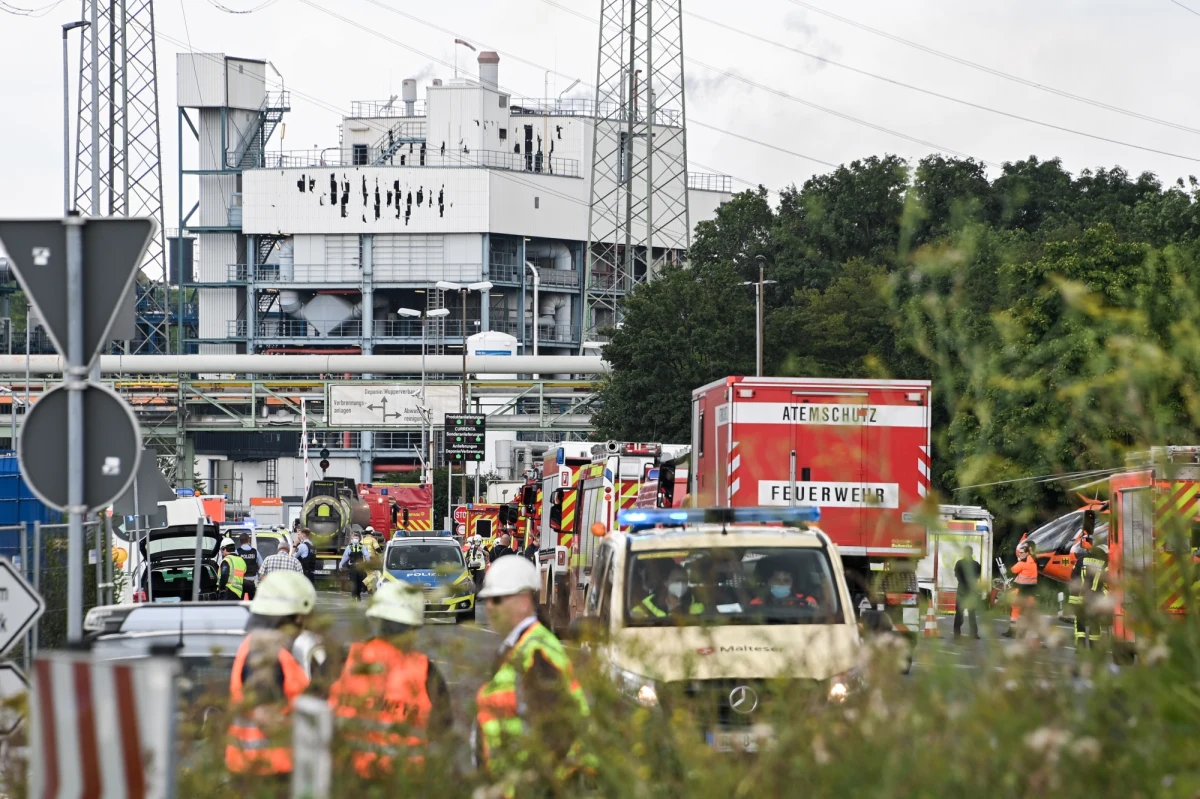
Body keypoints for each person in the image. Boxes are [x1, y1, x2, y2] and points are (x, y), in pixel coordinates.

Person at [473, 556, 594, 785]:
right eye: (487, 600)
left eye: (497, 600)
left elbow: (557, 731)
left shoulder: (537, 653)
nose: (489, 607)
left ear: (523, 601)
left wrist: (532, 783)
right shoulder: (519, 646)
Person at [328, 581, 453, 777]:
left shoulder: (343, 659)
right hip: (405, 784)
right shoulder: (426, 671)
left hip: (345, 781)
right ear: (413, 627)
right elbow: (442, 733)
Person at [226, 571, 318, 780]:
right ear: (296, 616)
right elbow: (266, 716)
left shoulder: (262, 647)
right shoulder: (265, 651)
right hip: (268, 775)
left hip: (258, 771)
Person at [631, 565, 704, 618]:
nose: (681, 584)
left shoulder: (697, 606)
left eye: (684, 581)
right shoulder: (647, 606)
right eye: (677, 580)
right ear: (666, 582)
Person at [1075, 544, 1109, 648]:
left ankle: (1080, 646)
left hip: (1081, 597)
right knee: (1094, 623)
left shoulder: (1081, 561)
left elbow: (1074, 578)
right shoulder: (1104, 564)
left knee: (1080, 623)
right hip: (1095, 599)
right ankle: (1094, 647)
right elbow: (1107, 582)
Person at [1004, 541, 1039, 638]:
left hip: (1021, 590)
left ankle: (1012, 631)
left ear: (1028, 552)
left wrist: (1019, 561)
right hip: (1031, 591)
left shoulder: (1023, 562)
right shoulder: (1035, 561)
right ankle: (1027, 633)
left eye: (1022, 552)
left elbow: (1013, 570)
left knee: (1015, 611)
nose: (1020, 554)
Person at [749, 568, 819, 609]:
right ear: (769, 582)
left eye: (786, 581)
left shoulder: (807, 601)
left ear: (792, 584)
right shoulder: (757, 603)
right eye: (777, 580)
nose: (781, 584)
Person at [953, 546, 981, 640]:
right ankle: (973, 634)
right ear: (971, 553)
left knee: (959, 613)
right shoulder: (976, 564)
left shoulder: (959, 563)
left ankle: (957, 633)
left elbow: (956, 575)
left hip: (961, 590)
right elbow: (978, 576)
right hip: (971, 591)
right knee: (971, 613)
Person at [339, 531, 367, 602]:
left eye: (357, 538)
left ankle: (358, 595)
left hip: (360, 567)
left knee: (359, 582)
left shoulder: (362, 547)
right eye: (354, 538)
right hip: (352, 567)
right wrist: (341, 564)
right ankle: (353, 597)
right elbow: (345, 557)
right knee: (353, 582)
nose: (355, 539)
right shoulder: (349, 547)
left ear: (359, 539)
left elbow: (366, 555)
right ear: (352, 539)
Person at [238, 534, 262, 601]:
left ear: (240, 541)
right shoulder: (255, 552)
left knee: (240, 602)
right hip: (252, 582)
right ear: (248, 540)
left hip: (241, 582)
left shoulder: (237, 552)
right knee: (252, 603)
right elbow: (261, 566)